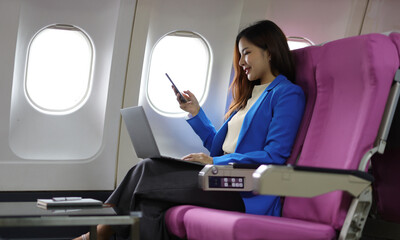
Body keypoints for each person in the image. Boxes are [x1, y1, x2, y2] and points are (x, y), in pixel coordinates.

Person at [74, 19, 305, 240]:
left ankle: (98, 233)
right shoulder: (247, 97)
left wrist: (214, 163)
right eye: (240, 54)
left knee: (149, 167)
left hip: (242, 188)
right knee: (148, 203)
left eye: (247, 53)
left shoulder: (287, 94)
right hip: (219, 176)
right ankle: (100, 232)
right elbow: (220, 146)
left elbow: (274, 156)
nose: (242, 62)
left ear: (270, 52)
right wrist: (196, 113)